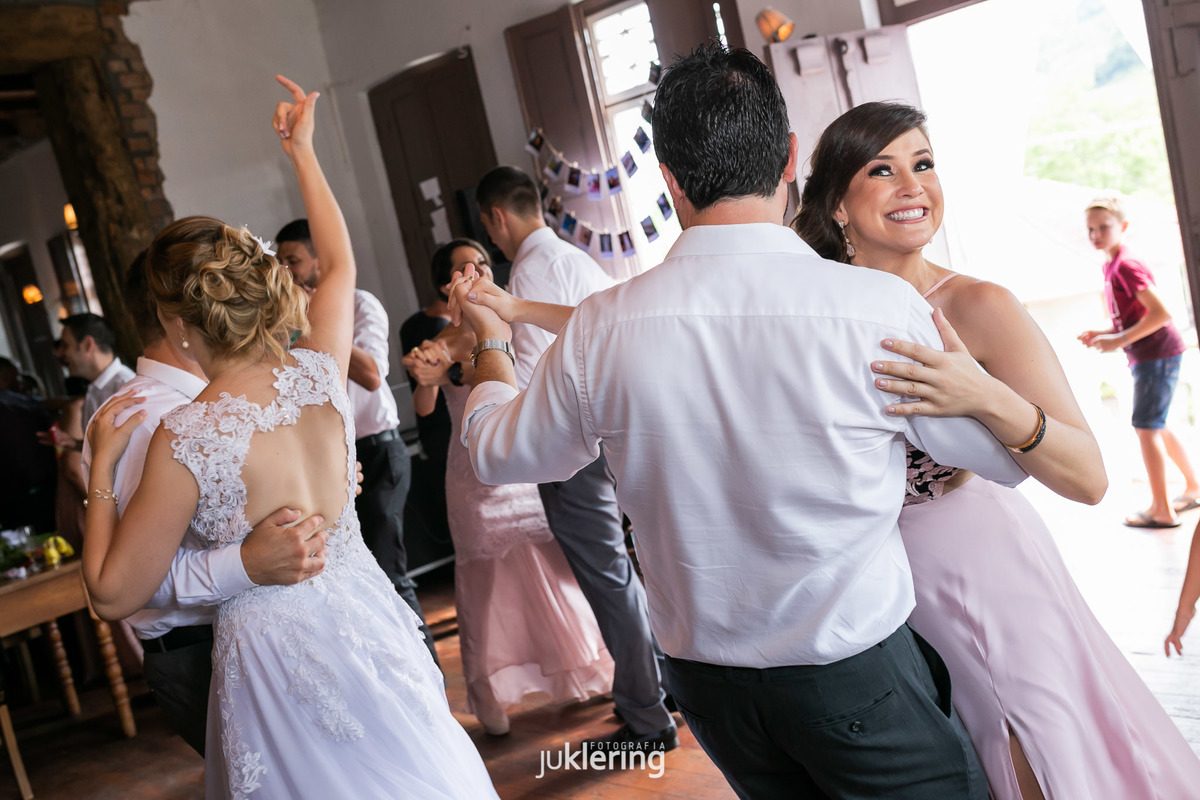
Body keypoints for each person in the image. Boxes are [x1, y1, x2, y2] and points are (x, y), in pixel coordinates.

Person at [449, 45, 1029, 799]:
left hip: (709, 686)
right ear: (789, 158)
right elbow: (1002, 461)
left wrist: (490, 342)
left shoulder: (600, 326)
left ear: (669, 180)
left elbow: (500, 453)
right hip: (852, 673)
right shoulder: (875, 308)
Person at [83, 75, 497, 799]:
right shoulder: (319, 373)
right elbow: (340, 266)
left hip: (278, 659)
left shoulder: (188, 434)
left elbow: (113, 594)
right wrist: (302, 149)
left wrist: (99, 474)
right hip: (370, 619)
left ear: (179, 325)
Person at [794, 100, 1200, 800]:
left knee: (1027, 733)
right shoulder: (806, 313)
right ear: (835, 204)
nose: (912, 185)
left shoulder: (979, 305)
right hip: (864, 580)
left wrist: (982, 395)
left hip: (975, 563)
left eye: (923, 164)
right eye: (882, 170)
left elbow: (1089, 478)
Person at [80, 250, 329, 756]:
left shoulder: (240, 398)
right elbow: (133, 584)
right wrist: (246, 563)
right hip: (200, 652)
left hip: (282, 630)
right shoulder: (144, 419)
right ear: (178, 317)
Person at [473, 165, 676, 749]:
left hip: (573, 451)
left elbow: (536, 380)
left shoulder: (527, 273)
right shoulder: (577, 259)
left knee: (609, 580)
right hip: (616, 434)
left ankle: (646, 716)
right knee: (627, 573)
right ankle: (662, 690)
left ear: (496, 218)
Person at [403, 239, 613, 736]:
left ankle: (583, 666)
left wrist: (456, 368)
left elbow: (520, 382)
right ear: (447, 285)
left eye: (481, 262)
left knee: (549, 569)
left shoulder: (509, 324)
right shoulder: (439, 341)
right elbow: (424, 409)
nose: (477, 271)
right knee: (485, 587)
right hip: (471, 471)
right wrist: (427, 376)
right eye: (464, 268)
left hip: (517, 464)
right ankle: (490, 692)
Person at [274, 219, 437, 666]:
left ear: (319, 260)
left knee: (390, 572)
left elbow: (370, 375)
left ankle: (428, 678)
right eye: (280, 262)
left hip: (377, 451)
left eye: (293, 260)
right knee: (353, 579)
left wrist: (314, 320)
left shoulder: (360, 304)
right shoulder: (284, 322)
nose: (286, 270)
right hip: (328, 462)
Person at [1078, 195, 1199, 528]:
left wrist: (1118, 340)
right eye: (1091, 229)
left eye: (1104, 227)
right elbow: (1133, 316)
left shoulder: (1126, 265)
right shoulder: (1111, 264)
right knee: (1155, 424)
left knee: (1145, 427)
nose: (1096, 235)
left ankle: (1162, 509)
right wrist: (1105, 332)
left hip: (1157, 354)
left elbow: (1161, 314)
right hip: (1150, 354)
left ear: (1123, 226)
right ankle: (1193, 487)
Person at [57, 312, 135, 428]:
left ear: (87, 344)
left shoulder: (126, 388)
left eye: (65, 345)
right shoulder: (95, 387)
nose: (59, 353)